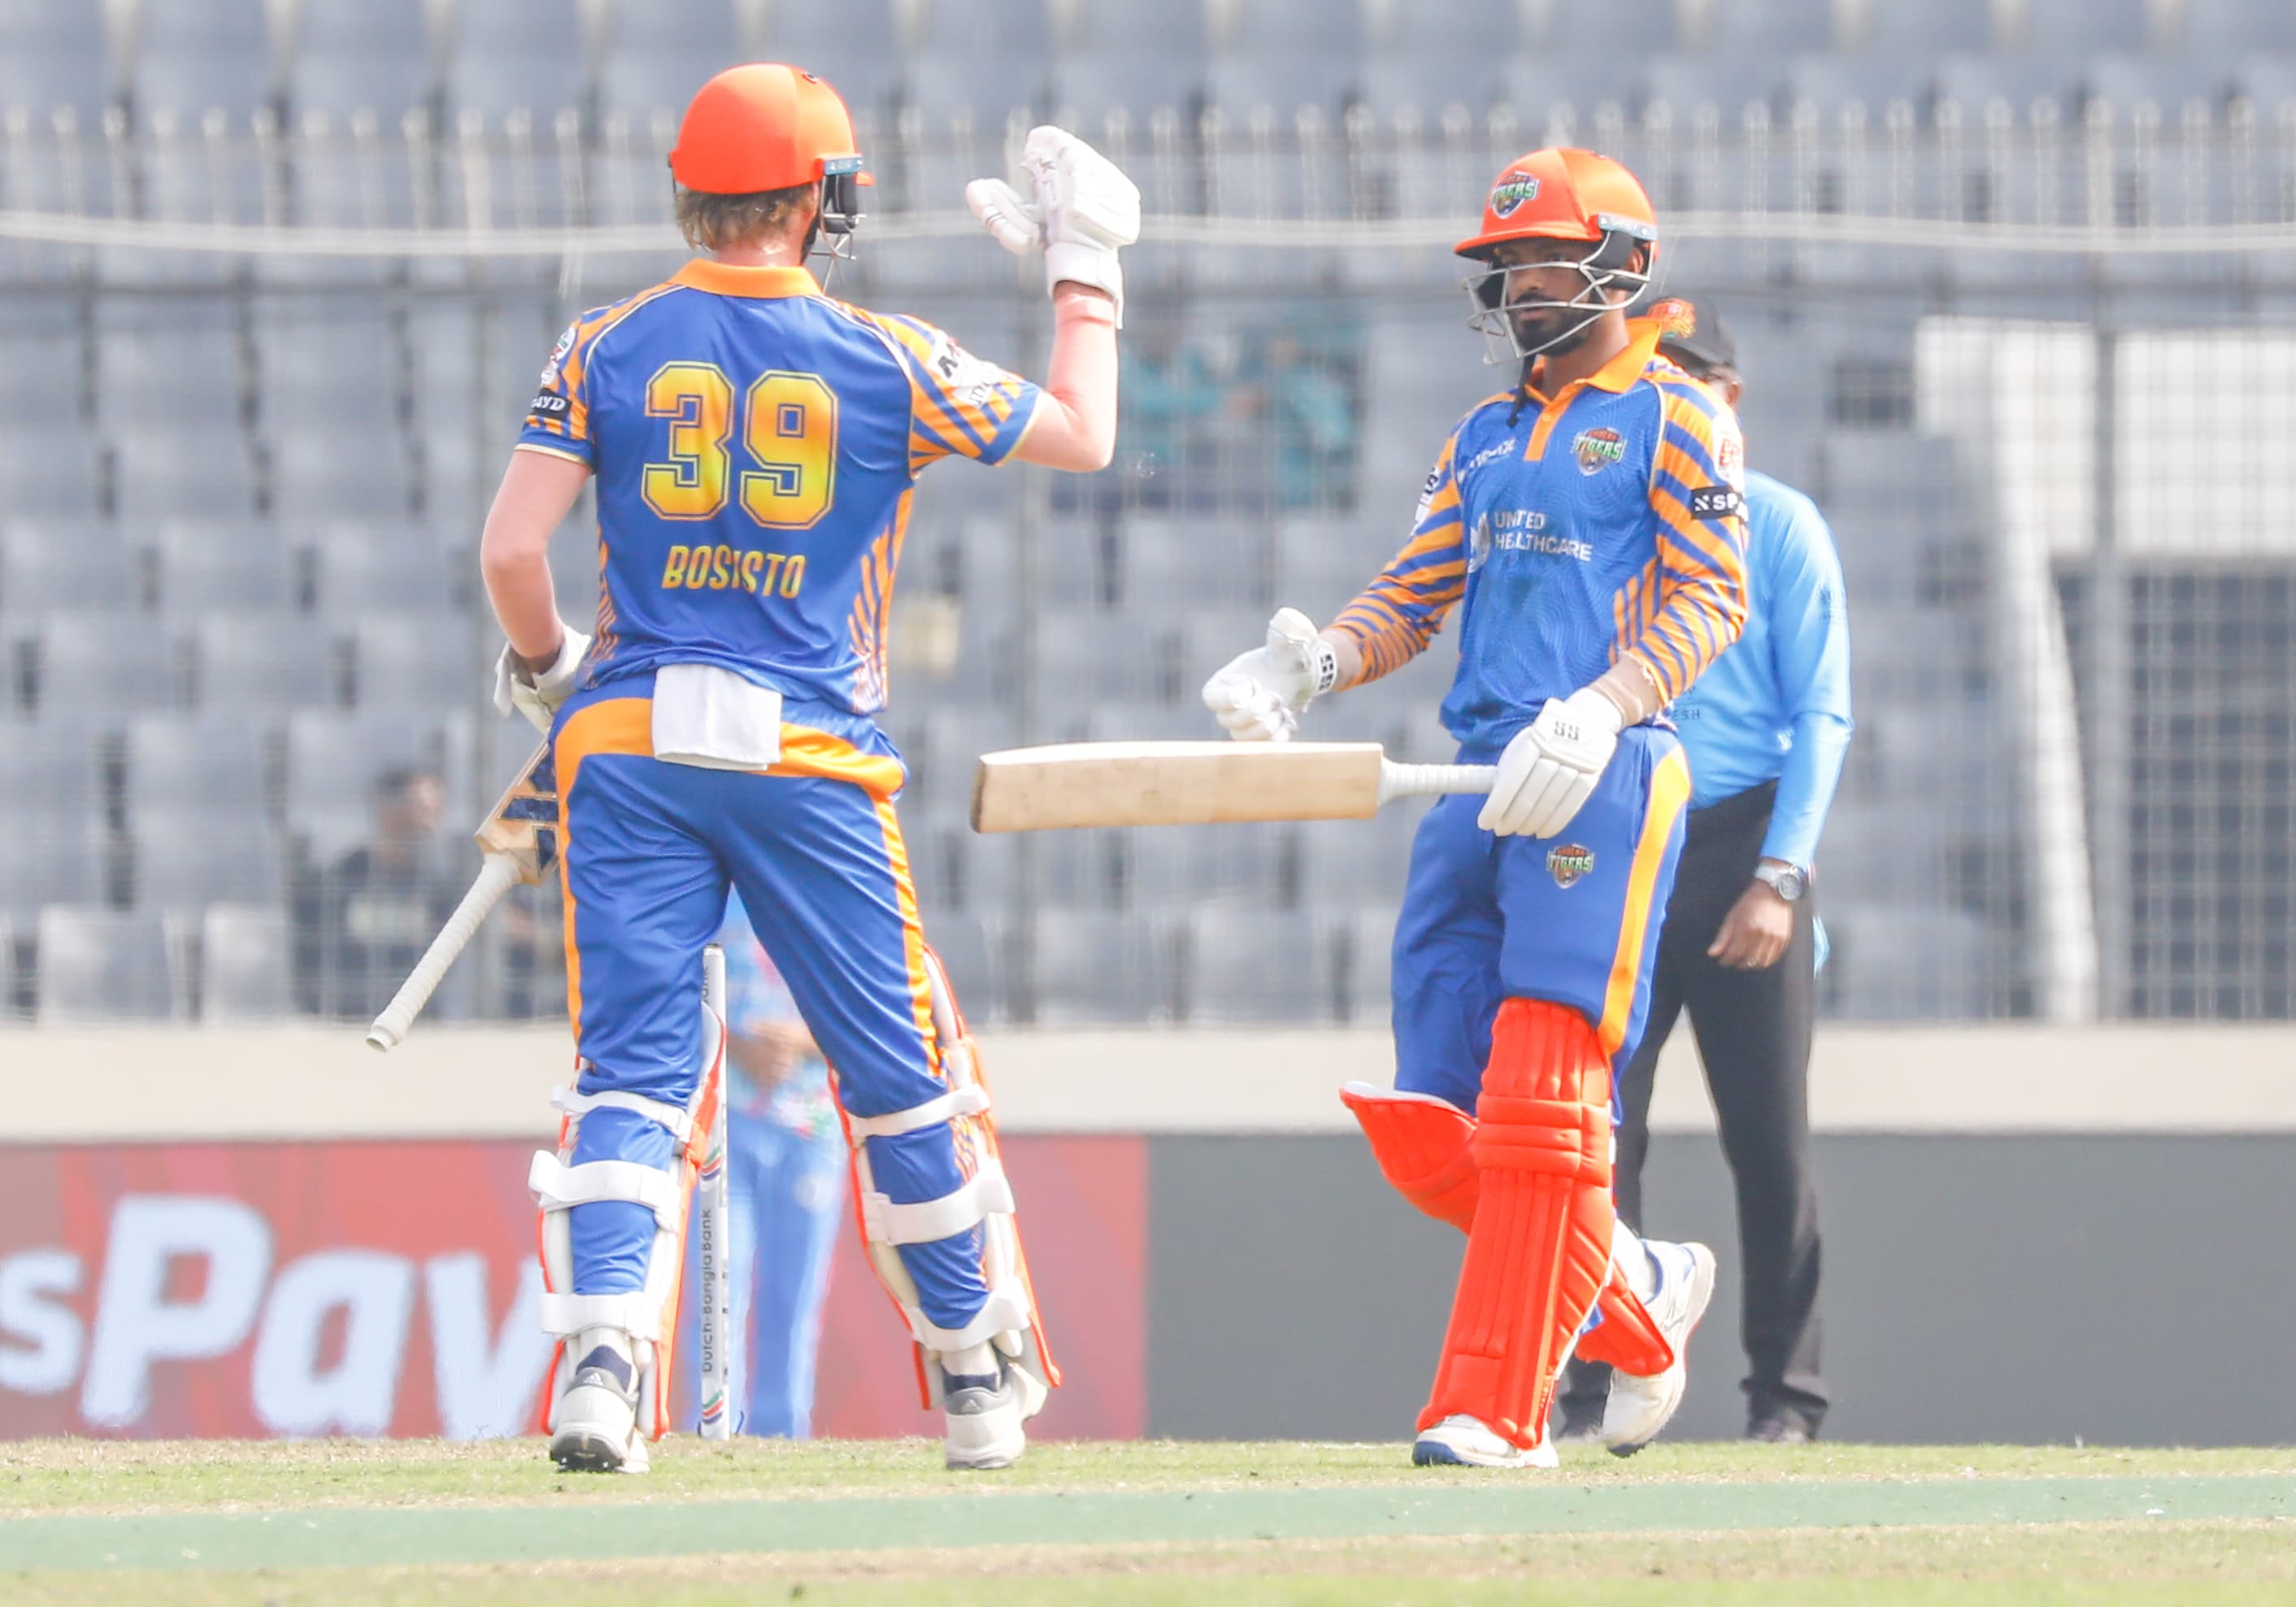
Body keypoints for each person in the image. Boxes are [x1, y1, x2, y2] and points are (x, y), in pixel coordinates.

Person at [478, 63, 1137, 1474]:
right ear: (820, 202)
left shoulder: (601, 342)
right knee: (900, 1071)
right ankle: (972, 1376)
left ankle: (602, 1361)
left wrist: (550, 673)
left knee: (631, 1072)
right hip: (810, 750)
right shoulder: (883, 355)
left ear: (689, 195)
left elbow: (512, 555)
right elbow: (1085, 433)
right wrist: (1088, 268)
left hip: (633, 742)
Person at [1202, 150, 1750, 1468]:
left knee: (1543, 1096)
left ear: (1621, 263)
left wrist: (1607, 705)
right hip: (1477, 771)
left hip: (1604, 769)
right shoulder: (1484, 433)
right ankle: (1637, 1291)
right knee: (1432, 1124)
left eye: (1543, 260)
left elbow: (1710, 598)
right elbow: (1414, 588)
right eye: (1505, 265)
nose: (1517, 285)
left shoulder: (1678, 417)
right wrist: (1315, 663)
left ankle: (1494, 1413)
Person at [1555, 294, 1851, 1447]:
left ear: (1723, 399)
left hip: (1737, 847)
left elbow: (1820, 713)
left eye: (1684, 382)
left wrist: (1777, 877)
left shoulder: (1777, 527)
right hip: (1624, 839)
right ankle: (1592, 1389)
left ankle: (1787, 1400)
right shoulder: (1609, 521)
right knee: (1593, 1142)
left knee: (1766, 1142)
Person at [676, 892, 846, 1439]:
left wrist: (799, 1040)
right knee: (716, 1288)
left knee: (792, 1299)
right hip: (723, 1125)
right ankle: (710, 1434)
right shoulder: (705, 890)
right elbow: (668, 993)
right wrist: (735, 1045)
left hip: (811, 1128)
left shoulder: (831, 888)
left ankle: (783, 1437)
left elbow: (875, 1009)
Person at [293, 765, 456, 1018]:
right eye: (422, 807)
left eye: (437, 808)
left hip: (417, 1024)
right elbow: (312, 959)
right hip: (345, 1022)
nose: (432, 820)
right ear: (387, 810)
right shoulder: (337, 883)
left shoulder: (436, 890)